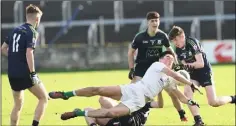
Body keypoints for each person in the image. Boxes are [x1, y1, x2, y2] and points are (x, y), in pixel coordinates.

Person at [48, 51, 200, 120]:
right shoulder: (157, 65)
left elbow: (179, 95)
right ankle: (66, 94)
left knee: (111, 113)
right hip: (132, 89)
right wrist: (190, 83)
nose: (169, 60)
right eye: (167, 57)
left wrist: (190, 101)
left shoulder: (168, 81)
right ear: (161, 60)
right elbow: (174, 74)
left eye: (172, 59)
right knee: (98, 89)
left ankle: (78, 113)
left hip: (138, 101)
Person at [168, 26, 236, 126]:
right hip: (192, 74)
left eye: (175, 40)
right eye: (173, 41)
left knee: (213, 102)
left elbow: (201, 63)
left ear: (181, 36)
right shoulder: (178, 49)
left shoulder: (192, 43)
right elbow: (183, 64)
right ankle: (198, 121)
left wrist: (188, 66)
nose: (174, 43)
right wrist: (180, 69)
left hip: (204, 72)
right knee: (187, 93)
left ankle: (233, 98)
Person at [128, 11, 187, 121]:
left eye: (157, 20)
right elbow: (130, 52)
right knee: (132, 93)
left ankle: (182, 114)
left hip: (159, 70)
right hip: (142, 70)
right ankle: (126, 115)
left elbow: (171, 52)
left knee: (173, 91)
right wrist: (131, 69)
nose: (155, 23)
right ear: (148, 22)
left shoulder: (162, 36)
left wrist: (176, 64)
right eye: (152, 21)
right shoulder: (140, 37)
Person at [1, 4, 48, 126]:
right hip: (25, 72)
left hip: (12, 73)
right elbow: (29, 52)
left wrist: (14, 58)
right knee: (43, 98)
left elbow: (3, 49)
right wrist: (32, 73)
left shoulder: (15, 30)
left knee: (17, 105)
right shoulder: (32, 31)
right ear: (37, 19)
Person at [62, 96, 163, 126]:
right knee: (92, 106)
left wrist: (160, 91)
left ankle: (78, 113)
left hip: (126, 123)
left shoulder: (145, 103)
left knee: (94, 107)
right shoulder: (132, 98)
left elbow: (159, 104)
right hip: (116, 120)